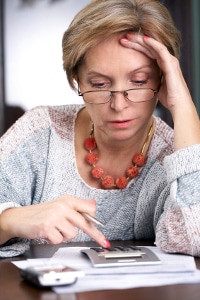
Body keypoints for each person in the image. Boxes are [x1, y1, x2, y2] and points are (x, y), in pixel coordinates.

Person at [0, 0, 200, 258]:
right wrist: (8, 220)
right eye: (99, 84)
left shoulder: (178, 158)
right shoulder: (41, 132)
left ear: (163, 79)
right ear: (77, 80)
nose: (118, 105)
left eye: (139, 81)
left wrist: (183, 105)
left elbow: (196, 235)